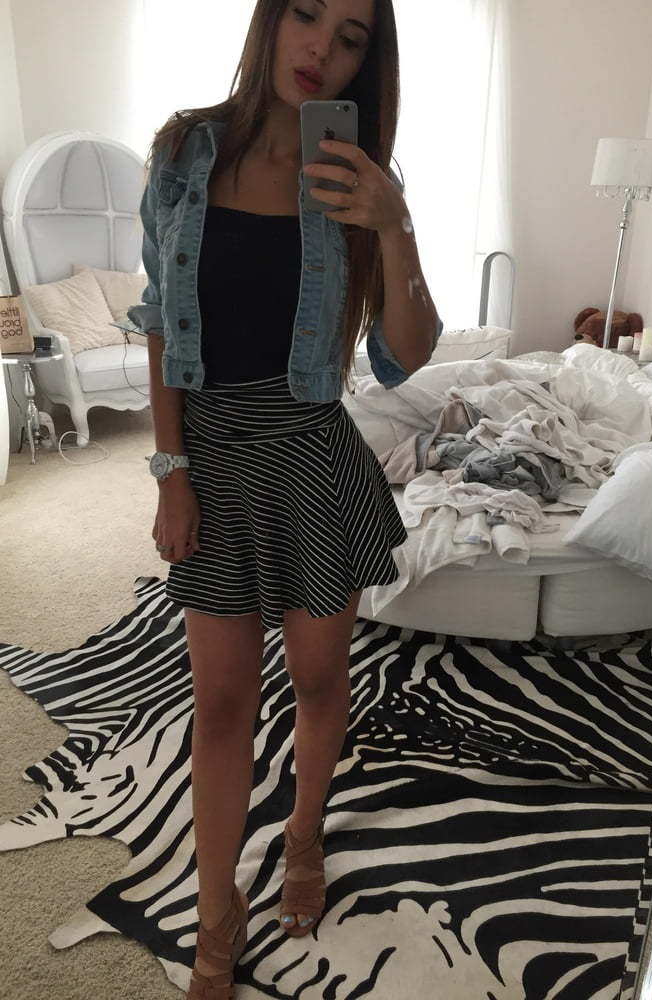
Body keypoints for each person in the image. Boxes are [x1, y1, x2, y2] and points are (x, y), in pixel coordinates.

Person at [129, 1, 442, 996]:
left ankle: (305, 836)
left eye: (350, 37)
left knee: (316, 681)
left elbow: (403, 356)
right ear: (271, 18)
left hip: (311, 454)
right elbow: (158, 318)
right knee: (220, 703)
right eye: (306, 13)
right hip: (212, 460)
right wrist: (171, 470)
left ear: (364, 62)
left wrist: (394, 223)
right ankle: (216, 911)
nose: (320, 46)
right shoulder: (184, 152)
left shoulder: (356, 179)